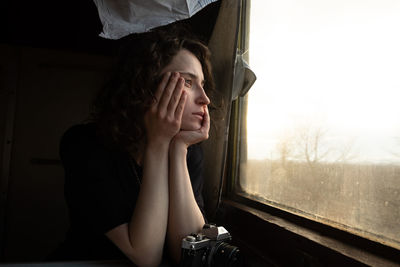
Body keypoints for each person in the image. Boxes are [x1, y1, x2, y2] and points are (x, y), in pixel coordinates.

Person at [51, 26, 217, 266]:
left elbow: (188, 252)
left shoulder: (189, 150)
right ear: (146, 87)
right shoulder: (85, 144)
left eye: (202, 83)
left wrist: (179, 150)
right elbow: (144, 256)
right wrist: (158, 142)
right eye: (188, 82)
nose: (205, 98)